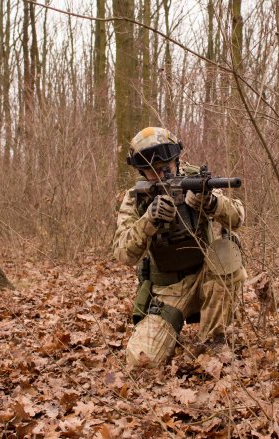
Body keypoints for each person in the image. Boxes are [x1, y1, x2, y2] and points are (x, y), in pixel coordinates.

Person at [112, 127, 248, 367]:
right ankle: (170, 333)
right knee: (140, 363)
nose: (159, 173)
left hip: (205, 277)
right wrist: (148, 221)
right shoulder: (136, 198)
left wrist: (212, 203)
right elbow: (123, 254)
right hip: (167, 291)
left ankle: (215, 341)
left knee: (227, 251)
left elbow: (237, 218)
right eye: (150, 170)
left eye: (165, 164)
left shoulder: (196, 180)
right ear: (141, 170)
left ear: (176, 159)